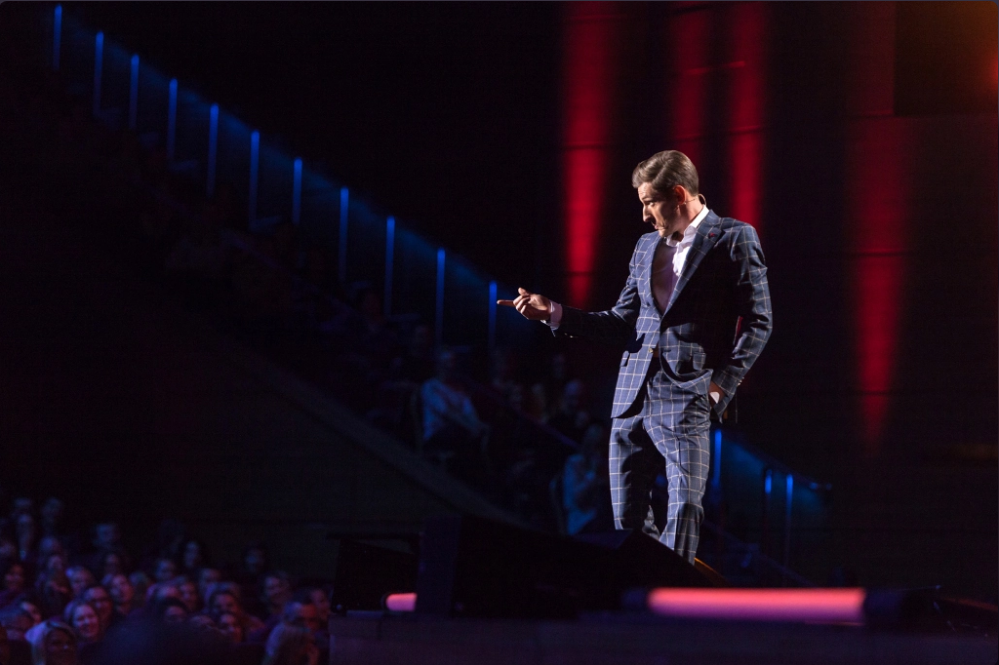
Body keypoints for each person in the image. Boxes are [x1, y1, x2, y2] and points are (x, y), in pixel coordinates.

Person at [499, 150, 772, 563]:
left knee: (685, 508)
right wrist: (553, 312)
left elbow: (759, 321)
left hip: (689, 397)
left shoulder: (734, 237)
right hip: (630, 398)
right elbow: (619, 321)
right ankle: (640, 595)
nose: (645, 215)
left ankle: (671, 601)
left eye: (649, 202)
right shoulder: (646, 246)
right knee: (626, 518)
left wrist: (719, 388)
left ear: (678, 194)